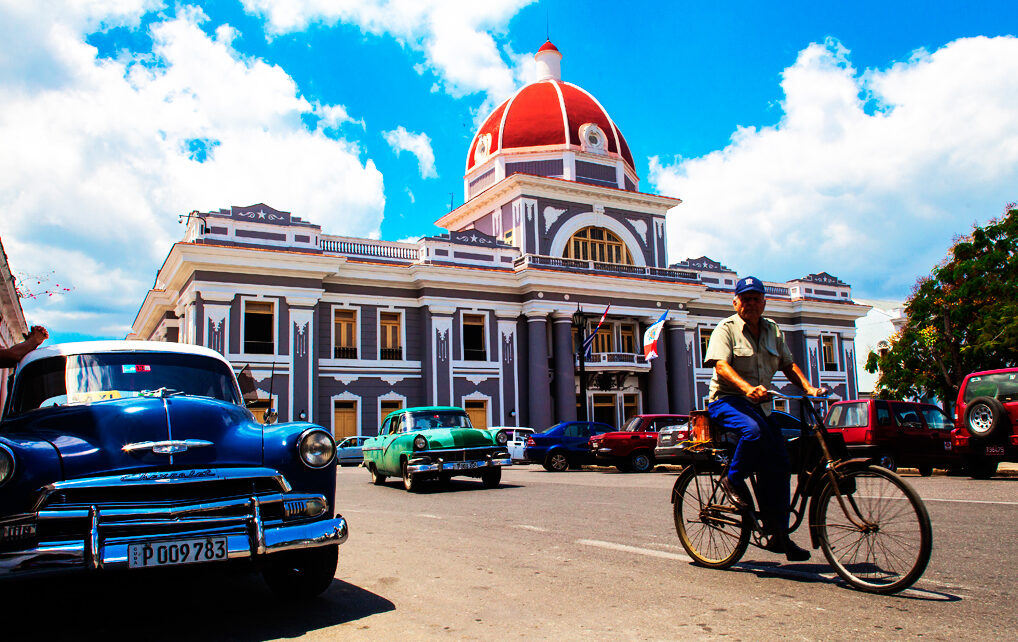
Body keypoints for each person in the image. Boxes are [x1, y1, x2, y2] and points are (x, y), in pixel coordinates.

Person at [703, 277, 823, 562]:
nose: (752, 304)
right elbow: (721, 366)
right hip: (727, 400)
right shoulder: (726, 329)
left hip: (761, 405)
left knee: (781, 463)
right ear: (736, 302)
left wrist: (808, 387)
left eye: (756, 298)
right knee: (753, 432)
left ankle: (778, 533)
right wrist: (746, 388)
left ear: (764, 302)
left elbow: (788, 364)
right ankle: (732, 481)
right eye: (746, 299)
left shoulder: (773, 330)